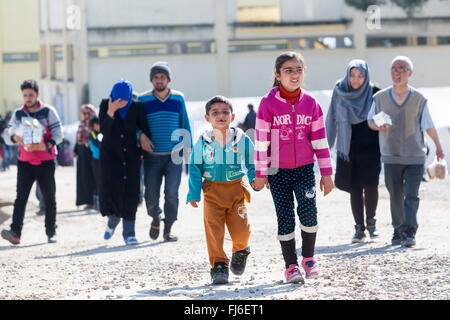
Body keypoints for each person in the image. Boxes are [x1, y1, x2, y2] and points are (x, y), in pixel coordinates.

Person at [252, 52, 334, 283]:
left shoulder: (311, 103)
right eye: (288, 70)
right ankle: (291, 266)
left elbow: (320, 141)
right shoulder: (268, 104)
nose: (294, 74)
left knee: (309, 213)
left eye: (298, 69)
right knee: (285, 218)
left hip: (305, 170)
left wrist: (327, 173)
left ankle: (309, 259)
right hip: (277, 171)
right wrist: (261, 174)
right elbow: (261, 143)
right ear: (277, 75)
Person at [367, 56, 444, 247]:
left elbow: (429, 125)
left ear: (410, 73)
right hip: (390, 155)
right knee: (395, 195)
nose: (397, 72)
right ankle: (397, 230)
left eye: (402, 68)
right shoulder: (380, 98)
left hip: (415, 155)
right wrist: (378, 127)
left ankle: (409, 232)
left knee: (412, 195)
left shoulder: (419, 99)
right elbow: (370, 120)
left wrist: (439, 148)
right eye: (394, 68)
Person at [187, 95, 256, 285]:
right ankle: (218, 265)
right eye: (215, 112)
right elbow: (194, 166)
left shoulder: (241, 138)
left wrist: (255, 179)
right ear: (207, 118)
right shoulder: (203, 141)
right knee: (214, 230)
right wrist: (193, 192)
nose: (220, 116)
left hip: (235, 191)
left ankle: (241, 251)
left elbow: (251, 162)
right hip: (212, 192)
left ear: (232, 117)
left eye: (225, 112)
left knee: (242, 231)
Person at [1, 80, 63, 245]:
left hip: (46, 161)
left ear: (37, 95)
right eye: (25, 95)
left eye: (31, 95)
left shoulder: (48, 111)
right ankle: (15, 232)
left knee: (49, 198)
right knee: (20, 198)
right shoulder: (18, 114)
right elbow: (7, 134)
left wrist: (46, 145)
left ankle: (51, 232)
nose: (28, 98)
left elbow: (59, 133)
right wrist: (15, 137)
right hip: (25, 162)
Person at [325, 59, 381, 243]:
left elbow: (382, 119)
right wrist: (326, 146)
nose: (356, 80)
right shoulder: (340, 89)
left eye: (360, 76)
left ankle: (371, 224)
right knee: (355, 187)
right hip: (347, 146)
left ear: (366, 77)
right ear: (347, 75)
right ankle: (359, 229)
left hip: (371, 145)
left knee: (371, 185)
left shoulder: (374, 92)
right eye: (353, 75)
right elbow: (332, 116)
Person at [138, 61, 192, 242]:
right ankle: (155, 217)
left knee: (171, 193)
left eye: (162, 77)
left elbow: (185, 124)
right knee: (151, 194)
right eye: (156, 77)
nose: (159, 80)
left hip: (174, 157)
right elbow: (136, 125)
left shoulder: (178, 98)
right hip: (152, 157)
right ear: (151, 80)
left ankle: (168, 229)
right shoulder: (143, 100)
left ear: (168, 79)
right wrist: (140, 136)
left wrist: (189, 153)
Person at [98, 79, 153, 245]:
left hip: (131, 157)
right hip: (110, 157)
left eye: (124, 100)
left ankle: (129, 233)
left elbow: (144, 129)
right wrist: (111, 111)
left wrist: (143, 153)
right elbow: (104, 131)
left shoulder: (136, 107)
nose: (120, 103)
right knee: (113, 193)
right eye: (117, 99)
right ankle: (112, 222)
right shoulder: (104, 105)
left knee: (131, 194)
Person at [73, 104, 97, 209]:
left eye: (84, 112)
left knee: (92, 177)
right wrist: (75, 150)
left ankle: (93, 200)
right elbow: (79, 139)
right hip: (82, 154)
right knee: (83, 177)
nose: (82, 115)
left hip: (91, 154)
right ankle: (87, 201)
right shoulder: (82, 124)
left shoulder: (94, 123)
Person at [88, 117, 101, 211]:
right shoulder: (92, 134)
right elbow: (97, 144)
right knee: (97, 182)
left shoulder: (101, 133)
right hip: (96, 160)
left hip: (103, 160)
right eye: (97, 124)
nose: (99, 126)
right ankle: (97, 203)